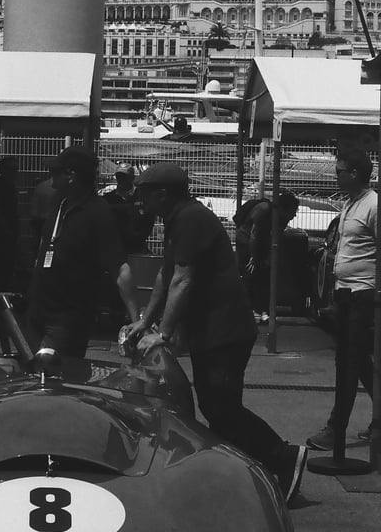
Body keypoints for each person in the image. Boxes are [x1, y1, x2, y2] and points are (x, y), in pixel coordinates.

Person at [123, 161, 307, 505]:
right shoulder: (177, 219)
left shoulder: (191, 219)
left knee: (222, 408)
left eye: (144, 194)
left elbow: (183, 279)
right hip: (212, 330)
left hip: (225, 330)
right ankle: (237, 476)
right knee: (217, 407)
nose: (139, 201)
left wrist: (163, 333)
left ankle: (283, 457)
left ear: (163, 194)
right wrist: (146, 321)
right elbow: (166, 275)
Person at [26, 146, 138, 360]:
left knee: (57, 374)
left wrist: (136, 320)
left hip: (68, 318)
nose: (50, 176)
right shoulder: (58, 203)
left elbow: (120, 267)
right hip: (38, 311)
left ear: (71, 175)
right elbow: (44, 245)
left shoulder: (98, 211)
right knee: (31, 372)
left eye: (55, 171)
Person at [307, 150, 376, 451]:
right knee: (357, 361)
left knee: (349, 361)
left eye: (339, 172)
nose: (336, 177)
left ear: (355, 174)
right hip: (345, 292)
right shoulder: (350, 203)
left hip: (362, 293)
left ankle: (336, 430)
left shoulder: (373, 205)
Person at [234, 190, 299, 323]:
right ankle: (248, 311)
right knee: (250, 274)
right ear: (283, 208)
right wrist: (253, 256)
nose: (294, 215)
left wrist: (268, 257)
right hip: (246, 240)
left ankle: (261, 310)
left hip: (259, 242)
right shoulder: (264, 209)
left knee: (264, 275)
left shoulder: (283, 218)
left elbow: (275, 237)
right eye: (293, 211)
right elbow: (254, 234)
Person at [103, 163, 155, 256]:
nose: (121, 179)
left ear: (132, 177)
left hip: (138, 248)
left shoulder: (142, 196)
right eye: (119, 176)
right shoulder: (108, 199)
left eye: (124, 176)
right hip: (114, 249)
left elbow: (149, 219)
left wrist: (138, 237)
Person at [0, 155, 20, 290]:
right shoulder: (2, 188)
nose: (16, 172)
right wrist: (7, 232)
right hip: (3, 235)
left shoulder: (6, 186)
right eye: (13, 169)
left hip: (6, 233)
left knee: (6, 265)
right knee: (3, 266)